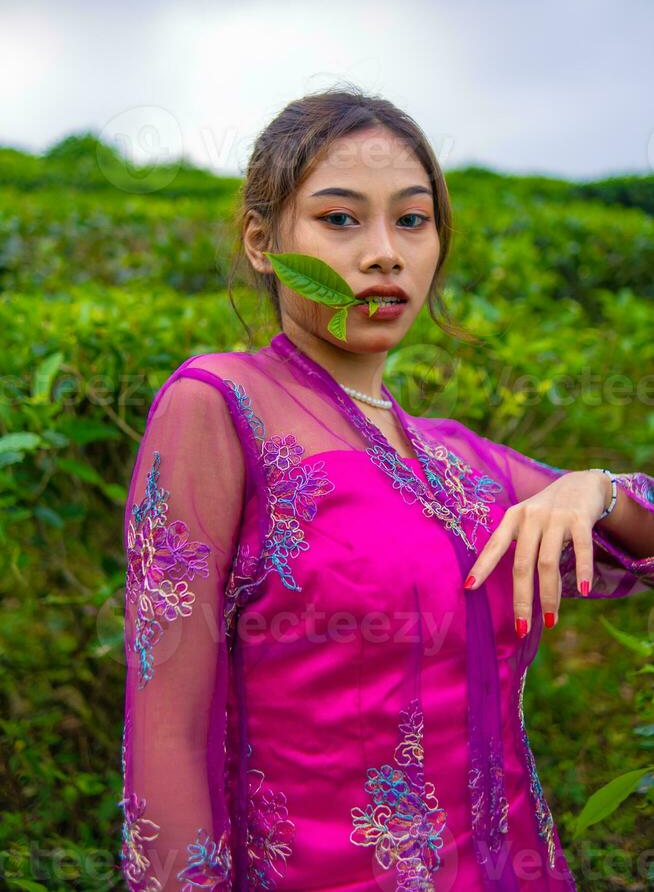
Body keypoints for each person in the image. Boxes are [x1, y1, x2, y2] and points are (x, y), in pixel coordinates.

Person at [118, 87, 654, 891]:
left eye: (412, 219)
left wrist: (594, 489)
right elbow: (169, 725)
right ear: (262, 243)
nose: (384, 254)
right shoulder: (220, 405)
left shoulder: (464, 462)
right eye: (340, 219)